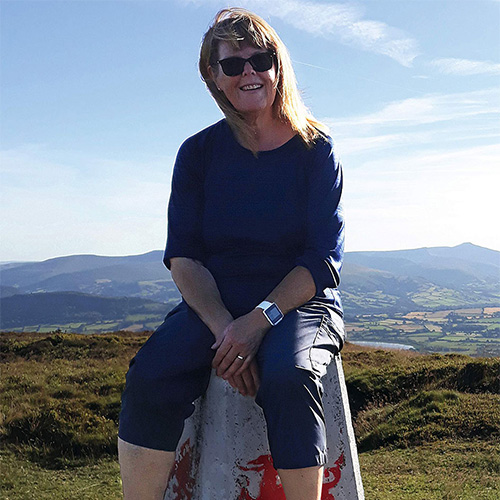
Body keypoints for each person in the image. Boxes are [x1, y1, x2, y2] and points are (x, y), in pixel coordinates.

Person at [118, 7, 345, 500]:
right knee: (151, 375)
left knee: (290, 377)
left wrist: (257, 321)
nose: (249, 72)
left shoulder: (316, 150)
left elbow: (322, 258)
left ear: (277, 66)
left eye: (260, 59)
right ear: (213, 77)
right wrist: (227, 328)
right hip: (214, 303)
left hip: (299, 303)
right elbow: (184, 257)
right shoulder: (198, 153)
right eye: (232, 64)